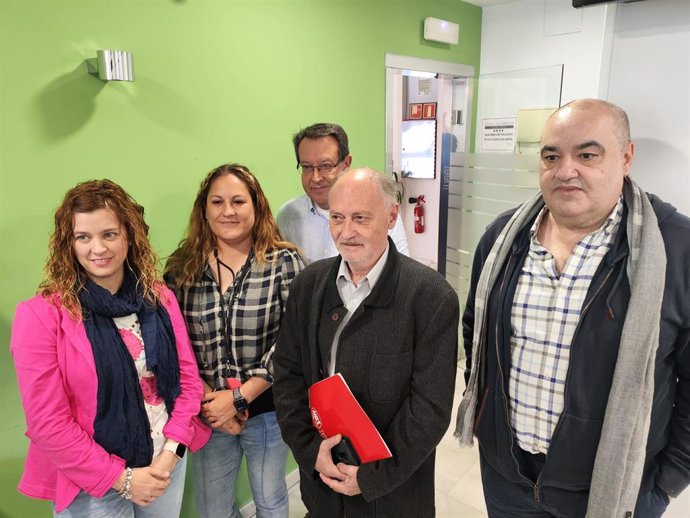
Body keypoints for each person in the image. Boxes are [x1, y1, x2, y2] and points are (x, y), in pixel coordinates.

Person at [455, 99, 690, 518]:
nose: (565, 170)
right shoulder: (503, 239)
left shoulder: (676, 249)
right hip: (508, 480)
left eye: (587, 154)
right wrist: (485, 419)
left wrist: (668, 481)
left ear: (626, 157)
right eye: (551, 156)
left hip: (616, 489)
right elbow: (476, 331)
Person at [10, 179, 209, 517]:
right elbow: (48, 423)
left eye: (109, 234)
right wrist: (124, 478)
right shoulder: (41, 316)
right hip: (94, 480)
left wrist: (171, 453)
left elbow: (187, 383)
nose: (97, 248)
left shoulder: (158, 298)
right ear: (68, 245)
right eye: (83, 237)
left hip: (164, 463)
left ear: (129, 236)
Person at [273, 168, 459, 517]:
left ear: (391, 217)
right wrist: (311, 451)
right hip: (323, 488)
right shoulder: (308, 285)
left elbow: (430, 410)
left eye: (360, 218)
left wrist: (373, 477)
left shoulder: (431, 297)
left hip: (393, 496)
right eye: (338, 218)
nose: (346, 232)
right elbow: (287, 375)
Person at [164, 163, 304, 518]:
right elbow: (173, 343)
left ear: (256, 208)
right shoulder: (182, 268)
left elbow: (293, 339)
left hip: (267, 411)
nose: (228, 211)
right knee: (213, 509)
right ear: (204, 210)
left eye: (239, 201)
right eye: (217, 201)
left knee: (270, 501)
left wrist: (241, 397)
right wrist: (214, 403)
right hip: (208, 411)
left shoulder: (283, 262)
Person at [276, 122, 409, 264]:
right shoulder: (288, 215)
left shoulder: (380, 212)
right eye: (307, 167)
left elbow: (401, 270)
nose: (316, 178)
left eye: (325, 166)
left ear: (346, 163)